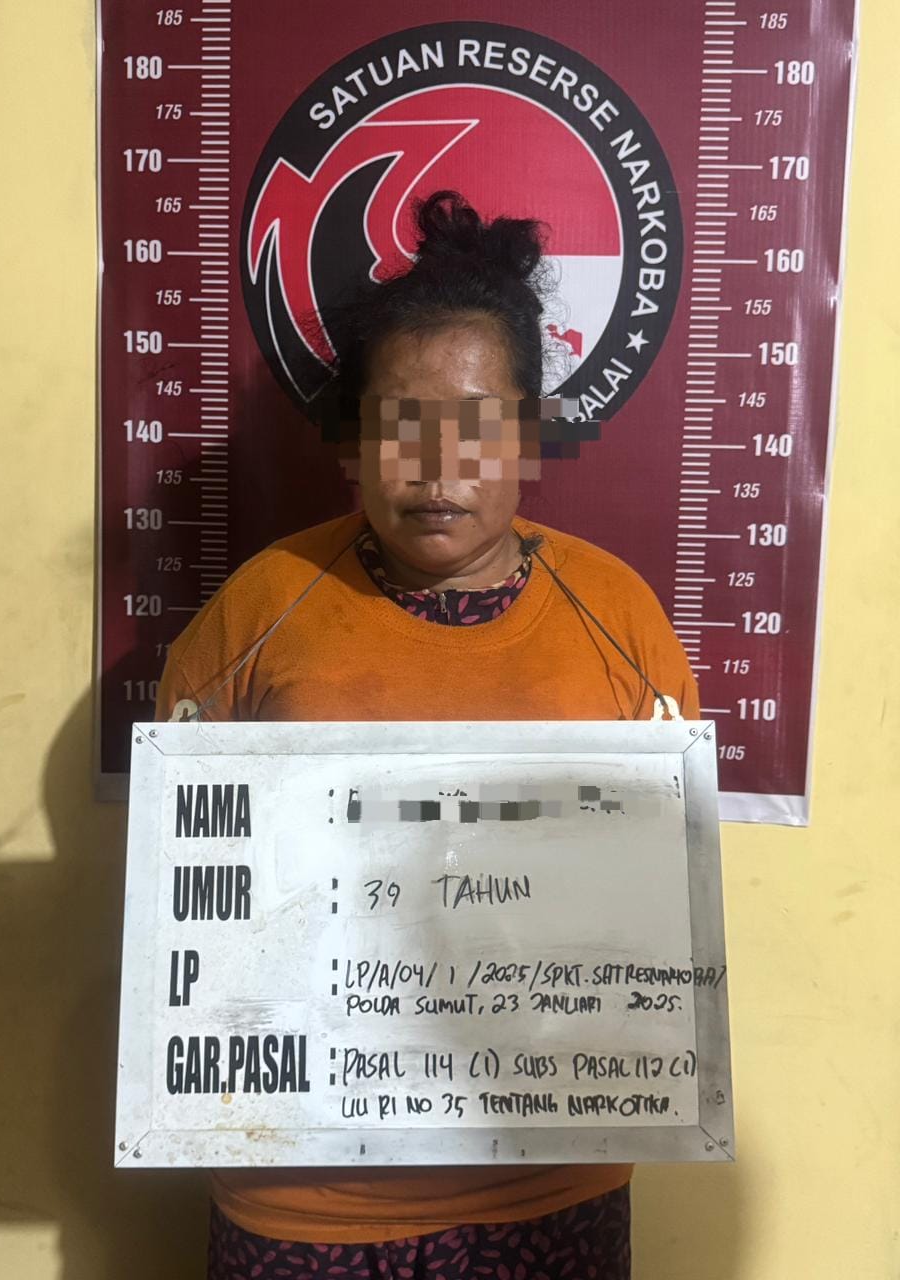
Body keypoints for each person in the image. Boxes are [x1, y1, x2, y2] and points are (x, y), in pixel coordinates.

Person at [156, 190, 699, 1280]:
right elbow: (185, 889)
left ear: (530, 434)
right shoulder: (262, 608)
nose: (439, 465)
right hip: (305, 1196)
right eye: (400, 424)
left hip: (551, 1183)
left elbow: (667, 900)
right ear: (353, 440)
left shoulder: (618, 616)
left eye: (480, 425)